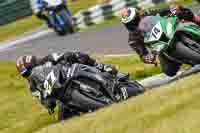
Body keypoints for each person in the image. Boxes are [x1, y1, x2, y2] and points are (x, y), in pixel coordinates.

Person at [16, 51, 118, 121]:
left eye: (30, 69)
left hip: (69, 73)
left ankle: (102, 66)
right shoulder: (32, 87)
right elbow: (43, 100)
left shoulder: (48, 59)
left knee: (78, 56)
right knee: (62, 118)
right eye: (26, 74)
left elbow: (61, 56)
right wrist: (48, 104)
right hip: (60, 94)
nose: (30, 74)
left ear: (35, 63)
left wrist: (66, 56)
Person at [120, 4, 200, 76]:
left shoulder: (149, 13)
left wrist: (173, 9)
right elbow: (142, 54)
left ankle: (197, 20)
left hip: (169, 28)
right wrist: (148, 58)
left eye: (135, 20)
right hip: (159, 46)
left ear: (139, 15)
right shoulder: (133, 38)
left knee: (184, 13)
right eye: (131, 24)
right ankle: (185, 59)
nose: (135, 24)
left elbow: (165, 10)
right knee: (168, 71)